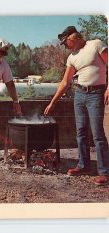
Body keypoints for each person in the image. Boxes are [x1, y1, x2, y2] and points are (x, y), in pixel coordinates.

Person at [44, 26, 109, 185]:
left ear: (73, 37)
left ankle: (104, 172)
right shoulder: (72, 57)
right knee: (80, 132)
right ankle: (83, 165)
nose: (65, 46)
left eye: (65, 42)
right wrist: (53, 102)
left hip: (96, 94)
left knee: (97, 133)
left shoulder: (96, 44)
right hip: (79, 94)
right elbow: (65, 82)